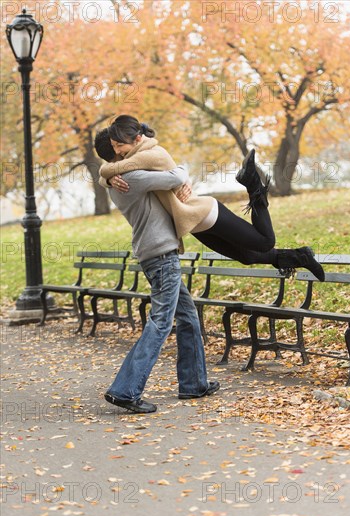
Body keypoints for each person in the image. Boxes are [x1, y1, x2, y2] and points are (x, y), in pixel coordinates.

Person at [95, 116, 324, 281]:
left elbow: (116, 168)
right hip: (194, 221)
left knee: (265, 242)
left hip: (203, 211)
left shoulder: (149, 153)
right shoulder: (135, 157)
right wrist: (107, 177)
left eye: (120, 145)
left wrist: (106, 174)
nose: (120, 151)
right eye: (116, 147)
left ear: (137, 138)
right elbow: (117, 168)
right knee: (246, 256)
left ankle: (254, 185)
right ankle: (299, 257)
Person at [95, 133, 220, 414]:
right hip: (161, 256)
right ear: (117, 156)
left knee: (187, 316)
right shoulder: (133, 178)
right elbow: (175, 177)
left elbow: (109, 173)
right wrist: (184, 171)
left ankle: (194, 383)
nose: (128, 151)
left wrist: (105, 175)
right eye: (120, 147)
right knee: (161, 322)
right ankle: (125, 390)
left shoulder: (117, 179)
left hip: (156, 255)